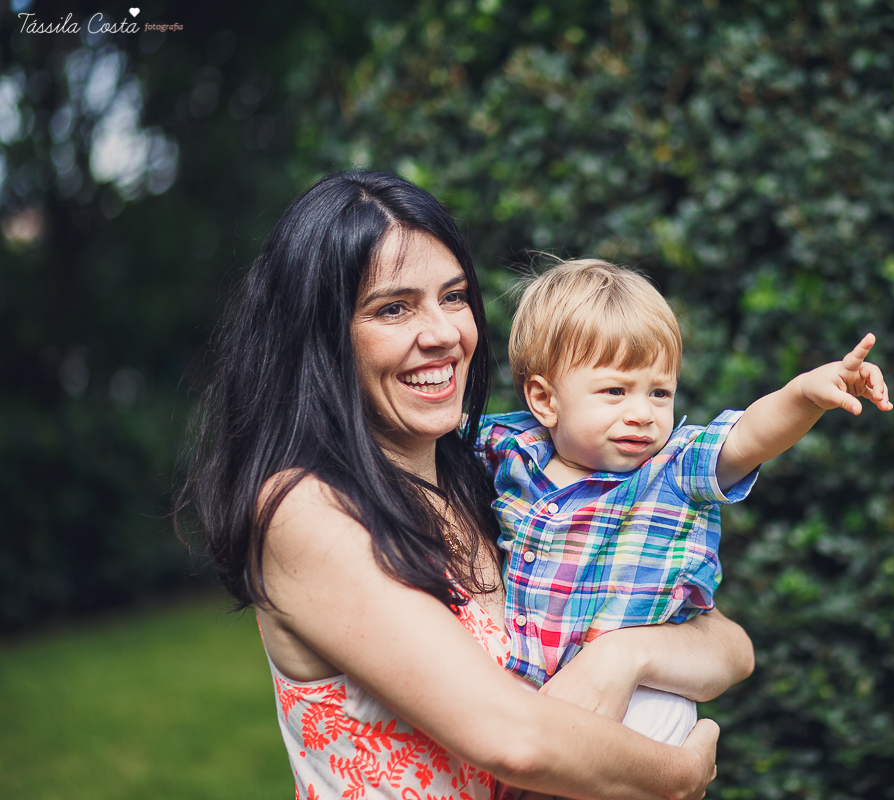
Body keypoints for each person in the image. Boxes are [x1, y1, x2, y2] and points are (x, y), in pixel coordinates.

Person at [178, 172, 754, 800]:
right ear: (322, 338)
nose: (443, 334)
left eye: (453, 297)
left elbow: (726, 645)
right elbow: (513, 739)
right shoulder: (306, 508)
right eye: (393, 308)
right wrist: (677, 774)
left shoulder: (494, 478)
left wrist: (624, 657)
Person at [478, 260, 892, 747]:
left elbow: (746, 438)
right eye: (615, 391)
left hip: (638, 702)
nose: (642, 414)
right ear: (544, 400)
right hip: (528, 692)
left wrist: (803, 396)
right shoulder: (505, 448)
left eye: (659, 393)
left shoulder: (672, 469)